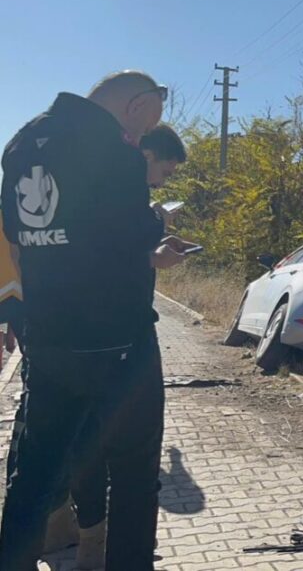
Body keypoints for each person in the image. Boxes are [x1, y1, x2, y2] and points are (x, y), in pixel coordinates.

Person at [0, 71, 174, 570]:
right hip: (118, 343)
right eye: (145, 126)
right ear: (137, 105)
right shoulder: (114, 152)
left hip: (48, 340)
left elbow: (14, 230)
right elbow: (130, 237)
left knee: (35, 475)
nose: (141, 137)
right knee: (133, 475)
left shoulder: (20, 144)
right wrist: (157, 222)